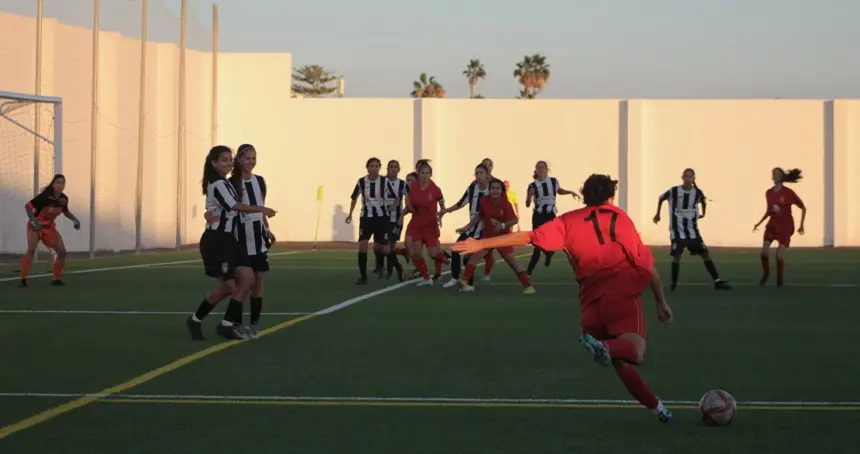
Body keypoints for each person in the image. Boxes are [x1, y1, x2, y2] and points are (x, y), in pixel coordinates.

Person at [452, 174, 675, 423]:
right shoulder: (619, 218)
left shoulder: (568, 221)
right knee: (635, 350)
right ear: (610, 196)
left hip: (590, 302)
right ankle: (607, 348)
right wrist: (660, 301)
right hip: (621, 294)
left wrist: (481, 243)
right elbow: (645, 265)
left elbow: (528, 236)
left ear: (585, 193)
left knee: (621, 363)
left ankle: (658, 408)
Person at [186, 145, 276, 341]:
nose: (228, 163)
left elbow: (223, 209)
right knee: (230, 287)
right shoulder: (217, 184)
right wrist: (262, 210)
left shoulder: (226, 183)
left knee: (249, 279)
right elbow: (234, 206)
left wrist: (265, 227)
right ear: (214, 163)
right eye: (223, 160)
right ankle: (196, 319)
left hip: (230, 241)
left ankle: (227, 324)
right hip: (217, 242)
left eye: (229, 159)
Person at [653, 168, 730, 291]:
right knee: (677, 256)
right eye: (686, 176)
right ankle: (674, 283)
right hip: (677, 231)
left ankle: (717, 281)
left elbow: (703, 202)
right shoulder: (674, 191)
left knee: (705, 254)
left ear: (694, 179)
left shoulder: (697, 193)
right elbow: (661, 198)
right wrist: (657, 214)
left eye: (690, 177)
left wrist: (703, 214)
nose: (688, 179)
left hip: (693, 232)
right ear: (682, 177)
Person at [229, 144, 275, 338]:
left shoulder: (260, 181)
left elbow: (261, 207)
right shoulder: (231, 183)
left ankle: (254, 325)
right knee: (243, 283)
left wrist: (267, 229)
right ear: (238, 159)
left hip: (258, 237)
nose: (251, 162)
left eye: (253, 158)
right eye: (247, 158)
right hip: (240, 238)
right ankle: (236, 324)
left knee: (258, 282)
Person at [455, 178, 534, 293]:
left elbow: (514, 220)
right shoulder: (484, 200)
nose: (495, 191)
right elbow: (479, 215)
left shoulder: (505, 204)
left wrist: (502, 225)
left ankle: (528, 286)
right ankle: (464, 281)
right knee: (474, 256)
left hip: (503, 238)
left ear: (502, 190)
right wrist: (466, 227)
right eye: (493, 188)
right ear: (489, 190)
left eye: (498, 189)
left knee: (512, 262)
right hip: (488, 237)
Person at [20, 174, 81, 287]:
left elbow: (65, 211)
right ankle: (23, 279)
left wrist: (75, 220)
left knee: (62, 252)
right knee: (31, 250)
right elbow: (28, 206)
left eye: (63, 182)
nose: (61, 185)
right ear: (53, 185)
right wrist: (33, 221)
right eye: (58, 182)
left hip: (49, 227)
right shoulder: (44, 196)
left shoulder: (64, 199)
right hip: (36, 226)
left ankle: (56, 279)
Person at [438, 163, 491, 289]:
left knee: (470, 255)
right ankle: (456, 278)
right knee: (457, 250)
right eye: (476, 173)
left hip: (485, 229)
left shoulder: (492, 189)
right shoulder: (472, 188)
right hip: (472, 227)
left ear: (487, 175)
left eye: (481, 173)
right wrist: (446, 210)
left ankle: (469, 283)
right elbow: (460, 203)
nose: (478, 176)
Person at [346, 158, 397, 284]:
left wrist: (390, 208)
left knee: (382, 248)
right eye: (371, 166)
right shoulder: (361, 181)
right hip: (366, 218)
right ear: (367, 168)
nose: (374, 168)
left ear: (379, 168)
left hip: (381, 219)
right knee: (362, 246)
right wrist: (350, 213)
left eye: (376, 166)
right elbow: (354, 198)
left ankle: (393, 267)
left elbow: (396, 198)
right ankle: (363, 277)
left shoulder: (384, 181)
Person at [524, 160, 580, 275]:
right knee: (536, 243)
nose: (541, 169)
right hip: (538, 216)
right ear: (536, 171)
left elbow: (559, 191)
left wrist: (570, 192)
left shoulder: (553, 181)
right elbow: (528, 204)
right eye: (538, 167)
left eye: (543, 167)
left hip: (550, 215)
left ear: (546, 170)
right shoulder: (532, 185)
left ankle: (552, 256)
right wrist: (529, 195)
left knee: (553, 239)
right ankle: (531, 270)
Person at [753, 167, 806, 287]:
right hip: (772, 224)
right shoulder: (768, 193)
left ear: (781, 177)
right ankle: (766, 274)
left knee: (779, 256)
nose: (774, 175)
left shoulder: (788, 193)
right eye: (773, 173)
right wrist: (759, 223)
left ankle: (779, 280)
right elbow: (768, 210)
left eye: (776, 174)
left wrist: (801, 225)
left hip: (785, 225)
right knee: (764, 253)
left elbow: (803, 207)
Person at [405, 162, 446, 286]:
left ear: (430, 175)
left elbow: (441, 201)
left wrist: (441, 213)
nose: (425, 175)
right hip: (417, 224)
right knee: (415, 252)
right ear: (419, 174)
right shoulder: (414, 187)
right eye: (422, 173)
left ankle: (448, 261)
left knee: (433, 254)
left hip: (430, 225)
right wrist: (404, 211)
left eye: (427, 173)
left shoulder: (435, 189)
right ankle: (426, 277)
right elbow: (409, 203)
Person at [383, 160, 408, 281]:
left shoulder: (403, 184)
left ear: (399, 169)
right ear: (387, 169)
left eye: (395, 167)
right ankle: (396, 268)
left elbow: (408, 203)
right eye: (391, 167)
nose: (393, 169)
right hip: (384, 219)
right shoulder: (382, 182)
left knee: (391, 246)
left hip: (397, 219)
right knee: (386, 246)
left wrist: (402, 216)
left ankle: (391, 270)